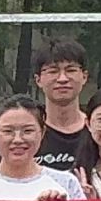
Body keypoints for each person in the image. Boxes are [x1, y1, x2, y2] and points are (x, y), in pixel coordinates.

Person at [33, 39, 90, 173]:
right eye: (53, 71)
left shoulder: (98, 130)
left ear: (84, 76)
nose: (62, 79)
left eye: (71, 70)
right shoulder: (27, 133)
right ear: (38, 80)